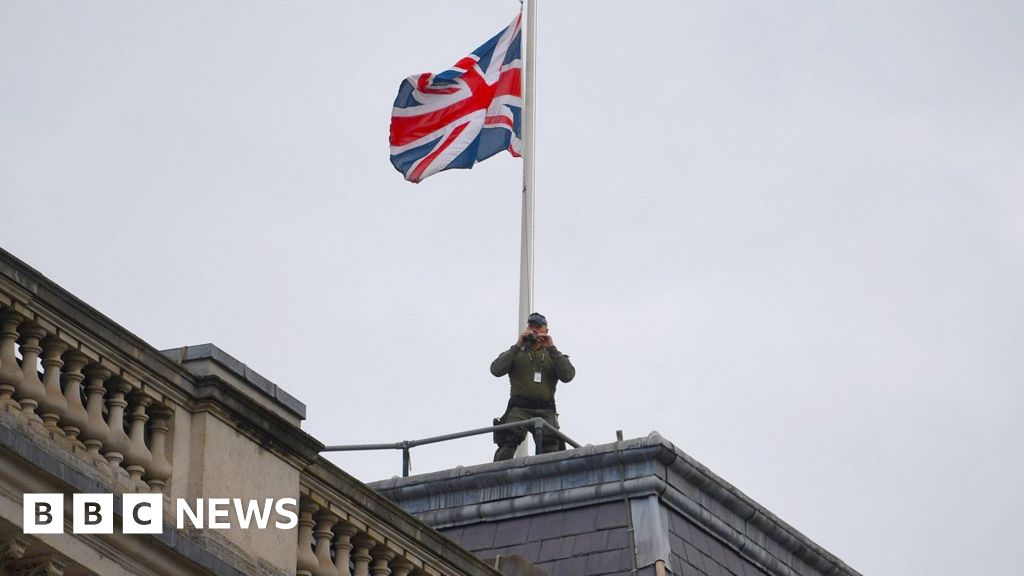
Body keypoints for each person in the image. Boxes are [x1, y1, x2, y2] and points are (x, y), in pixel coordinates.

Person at [490, 312, 576, 461]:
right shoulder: (516, 352)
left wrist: (552, 348)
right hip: (519, 408)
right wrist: (518, 345)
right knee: (508, 439)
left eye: (538, 327)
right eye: (531, 326)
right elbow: (496, 370)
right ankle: (496, 477)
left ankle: (550, 481)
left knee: (552, 447)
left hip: (546, 409)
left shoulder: (552, 355)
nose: (534, 330)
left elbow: (568, 376)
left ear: (546, 331)